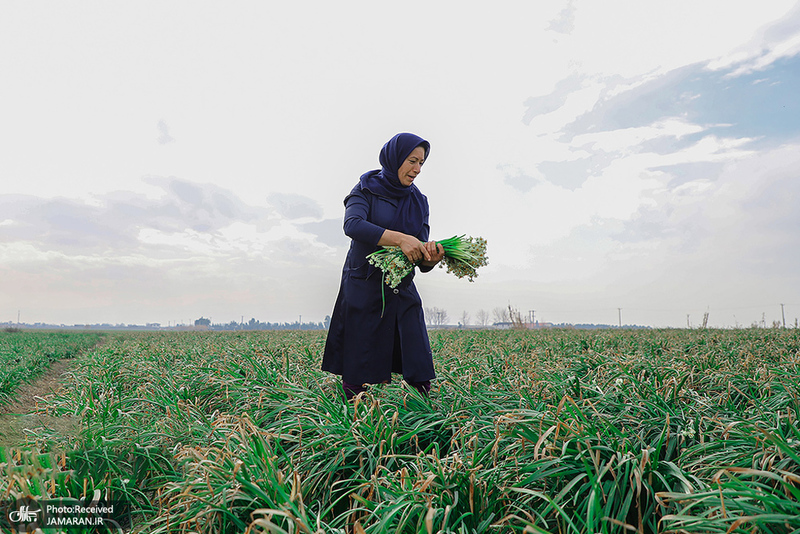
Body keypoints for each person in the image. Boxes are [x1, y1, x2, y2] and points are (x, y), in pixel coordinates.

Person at [322, 132, 445, 400]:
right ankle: (354, 422)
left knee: (417, 359)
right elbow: (352, 225)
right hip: (364, 283)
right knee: (358, 364)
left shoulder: (419, 201)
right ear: (395, 158)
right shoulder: (365, 189)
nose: (417, 169)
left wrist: (430, 259)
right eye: (412, 161)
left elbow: (420, 257)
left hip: (400, 284)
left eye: (422, 163)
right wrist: (400, 239)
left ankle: (420, 420)